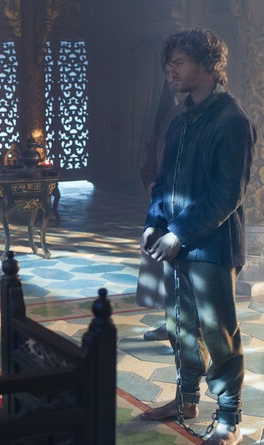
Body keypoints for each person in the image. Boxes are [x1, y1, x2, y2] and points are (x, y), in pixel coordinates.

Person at [139, 29, 256, 445]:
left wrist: (179, 233)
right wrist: (154, 223)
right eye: (169, 64)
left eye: (179, 63)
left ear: (208, 65)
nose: (170, 72)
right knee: (180, 326)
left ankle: (229, 419)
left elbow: (226, 195)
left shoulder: (231, 120)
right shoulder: (181, 119)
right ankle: (186, 399)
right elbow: (164, 182)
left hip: (212, 247)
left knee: (217, 333)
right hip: (174, 243)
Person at [136, 74, 186, 341]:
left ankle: (184, 327)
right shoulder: (166, 112)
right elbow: (149, 157)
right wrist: (152, 188)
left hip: (183, 203)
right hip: (161, 199)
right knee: (165, 270)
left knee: (182, 272)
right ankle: (171, 323)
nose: (172, 77)